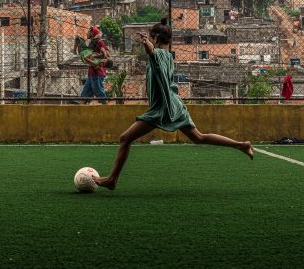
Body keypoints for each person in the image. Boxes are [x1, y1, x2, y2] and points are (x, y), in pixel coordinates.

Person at [94, 18, 253, 190]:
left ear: (155, 38)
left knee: (125, 138)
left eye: (151, 37)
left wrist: (147, 42)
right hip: (175, 104)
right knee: (198, 137)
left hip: (163, 108)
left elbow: (152, 54)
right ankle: (241, 145)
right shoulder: (169, 56)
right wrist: (149, 43)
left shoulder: (160, 55)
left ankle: (112, 180)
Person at [74, 26, 110, 103]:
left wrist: (95, 55)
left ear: (92, 33)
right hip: (91, 72)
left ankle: (106, 107)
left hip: (97, 71)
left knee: (99, 92)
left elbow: (107, 54)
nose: (86, 33)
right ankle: (81, 106)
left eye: (88, 31)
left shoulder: (99, 42)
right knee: (85, 93)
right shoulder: (91, 44)